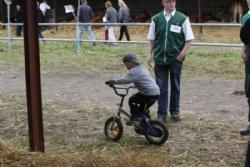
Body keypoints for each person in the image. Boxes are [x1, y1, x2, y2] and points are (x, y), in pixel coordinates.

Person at [147, 0, 194, 123]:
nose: (171, 4)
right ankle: (161, 113)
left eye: (173, 1)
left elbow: (189, 40)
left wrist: (181, 55)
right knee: (161, 87)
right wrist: (149, 55)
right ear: (163, 3)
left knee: (175, 85)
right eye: (168, 1)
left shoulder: (182, 19)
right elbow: (152, 39)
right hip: (160, 58)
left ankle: (175, 111)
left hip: (175, 59)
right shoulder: (156, 19)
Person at [106, 53, 160, 125]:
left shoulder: (133, 71)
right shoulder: (142, 67)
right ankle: (146, 124)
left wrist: (112, 81)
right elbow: (144, 79)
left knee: (132, 100)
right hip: (156, 92)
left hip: (148, 93)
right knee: (142, 109)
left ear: (130, 62)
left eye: (126, 64)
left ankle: (135, 118)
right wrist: (137, 85)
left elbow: (123, 80)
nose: (126, 66)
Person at [240, 0, 250, 135]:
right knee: (249, 88)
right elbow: (244, 38)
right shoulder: (246, 17)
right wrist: (243, 49)